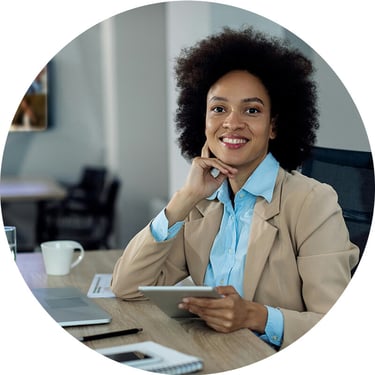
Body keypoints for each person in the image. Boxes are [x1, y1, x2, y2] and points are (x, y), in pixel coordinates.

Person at [111, 27, 359, 350]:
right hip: (213, 354)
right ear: (202, 120)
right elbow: (126, 286)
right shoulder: (201, 202)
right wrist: (184, 199)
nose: (232, 122)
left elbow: (338, 330)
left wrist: (255, 316)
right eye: (218, 109)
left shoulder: (313, 203)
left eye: (252, 110)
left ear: (273, 126)